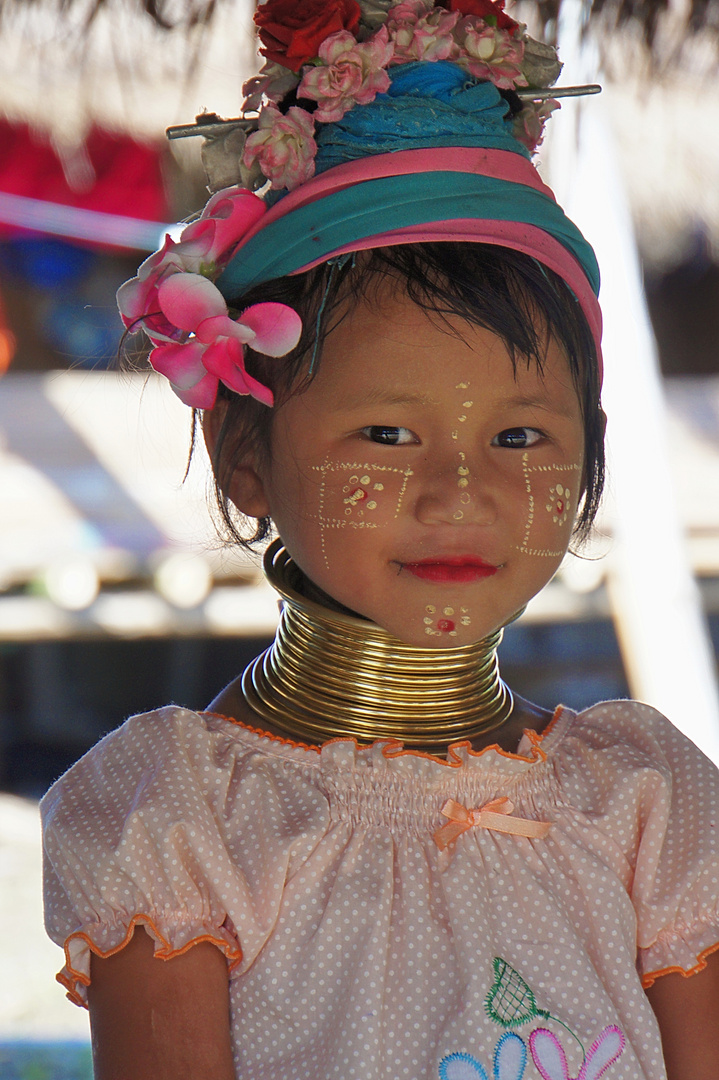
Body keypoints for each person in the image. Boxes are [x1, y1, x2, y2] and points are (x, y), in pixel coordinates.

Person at [41, 2, 719, 1078]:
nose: (460, 491)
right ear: (243, 452)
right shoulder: (185, 823)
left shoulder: (644, 804)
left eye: (517, 434)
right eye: (387, 431)